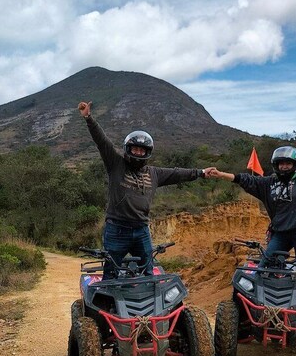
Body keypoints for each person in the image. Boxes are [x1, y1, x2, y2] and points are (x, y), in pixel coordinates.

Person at [78, 100, 215, 278]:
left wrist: (201, 172)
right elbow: (102, 142)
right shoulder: (116, 164)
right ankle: (109, 306)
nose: (138, 153)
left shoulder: (154, 173)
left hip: (141, 230)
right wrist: (89, 118)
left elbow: (177, 173)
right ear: (128, 149)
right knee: (111, 274)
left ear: (147, 152)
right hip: (117, 228)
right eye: (134, 149)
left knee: (148, 273)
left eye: (142, 150)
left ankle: (148, 306)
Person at [206, 115, 296, 272]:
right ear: (276, 165)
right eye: (281, 163)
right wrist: (221, 174)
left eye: (288, 163)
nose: (284, 166)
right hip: (280, 232)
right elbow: (244, 179)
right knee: (265, 268)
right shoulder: (268, 183)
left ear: (295, 164)